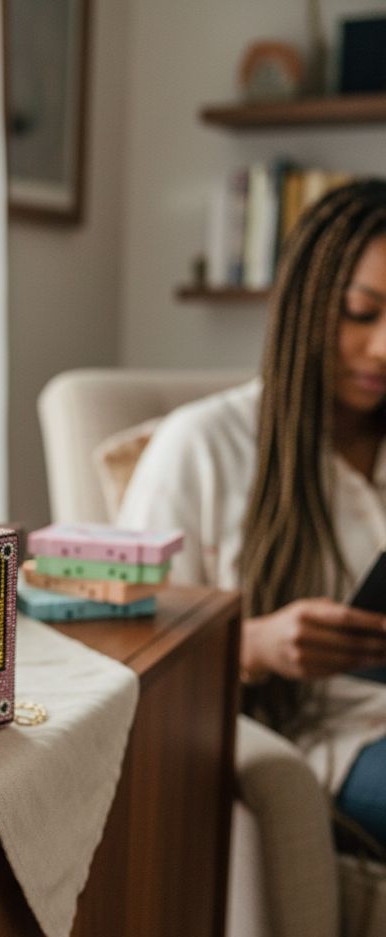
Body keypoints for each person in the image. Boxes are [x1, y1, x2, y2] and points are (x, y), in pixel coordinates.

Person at [118, 178, 386, 849]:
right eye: (360, 312)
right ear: (306, 306)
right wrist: (258, 645)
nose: (384, 348)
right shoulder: (203, 446)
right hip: (328, 743)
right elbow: (123, 650)